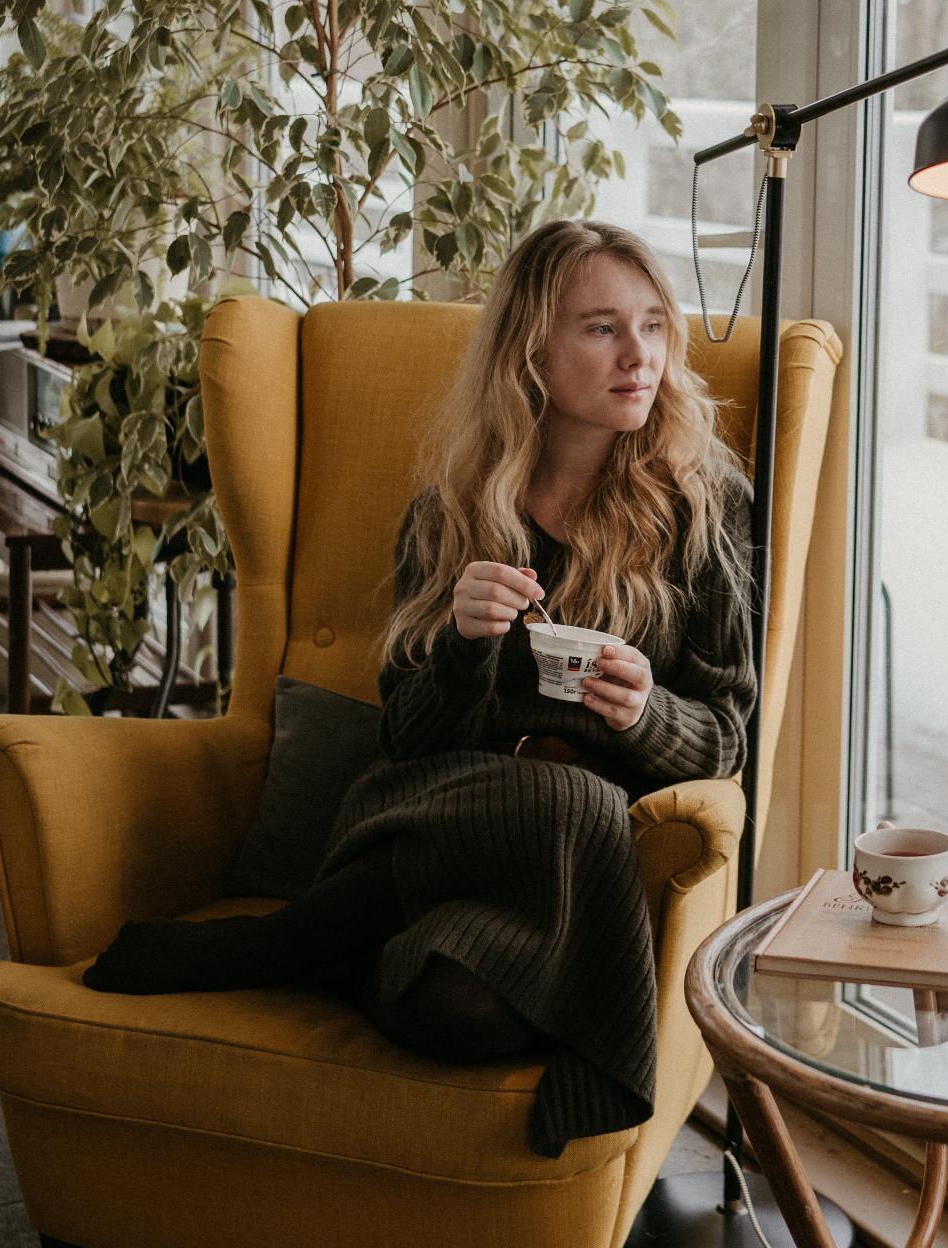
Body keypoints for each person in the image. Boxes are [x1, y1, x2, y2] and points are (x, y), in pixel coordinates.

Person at [83, 219, 756, 1158]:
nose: (639, 355)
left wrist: (645, 713)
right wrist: (463, 648)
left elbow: (726, 734)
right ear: (531, 348)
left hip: (558, 877)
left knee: (468, 1013)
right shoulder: (454, 506)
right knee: (568, 798)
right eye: (601, 328)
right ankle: (299, 942)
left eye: (653, 324)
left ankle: (307, 947)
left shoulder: (703, 503)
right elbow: (406, 739)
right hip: (427, 812)